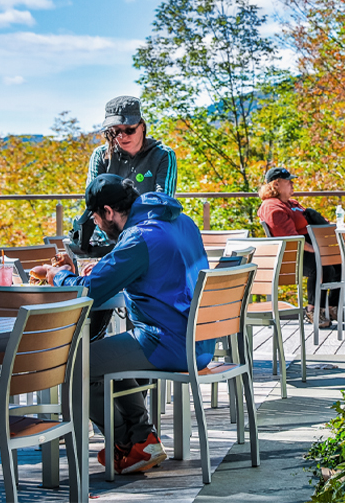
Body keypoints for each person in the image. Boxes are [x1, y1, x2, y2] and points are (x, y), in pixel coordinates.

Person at [33, 174, 212, 475]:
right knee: (104, 358)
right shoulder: (180, 222)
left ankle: (126, 444)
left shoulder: (139, 238)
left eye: (96, 218)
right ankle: (143, 440)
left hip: (166, 342)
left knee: (74, 362)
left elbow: (89, 292)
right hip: (198, 339)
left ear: (108, 212)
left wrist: (56, 275)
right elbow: (153, 267)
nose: (98, 227)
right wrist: (108, 264)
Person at [257, 167, 339, 328]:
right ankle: (313, 309)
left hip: (309, 247)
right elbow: (289, 238)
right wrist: (314, 248)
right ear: (277, 184)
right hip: (293, 254)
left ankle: (332, 307)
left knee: (341, 261)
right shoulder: (272, 207)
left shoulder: (291, 203)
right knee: (321, 265)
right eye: (289, 181)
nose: (293, 184)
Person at [88, 96, 177, 196]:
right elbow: (93, 200)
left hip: (150, 212)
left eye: (130, 130)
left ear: (142, 126)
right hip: (109, 212)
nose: (123, 137)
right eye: (115, 132)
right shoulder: (100, 155)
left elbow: (163, 202)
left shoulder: (163, 155)